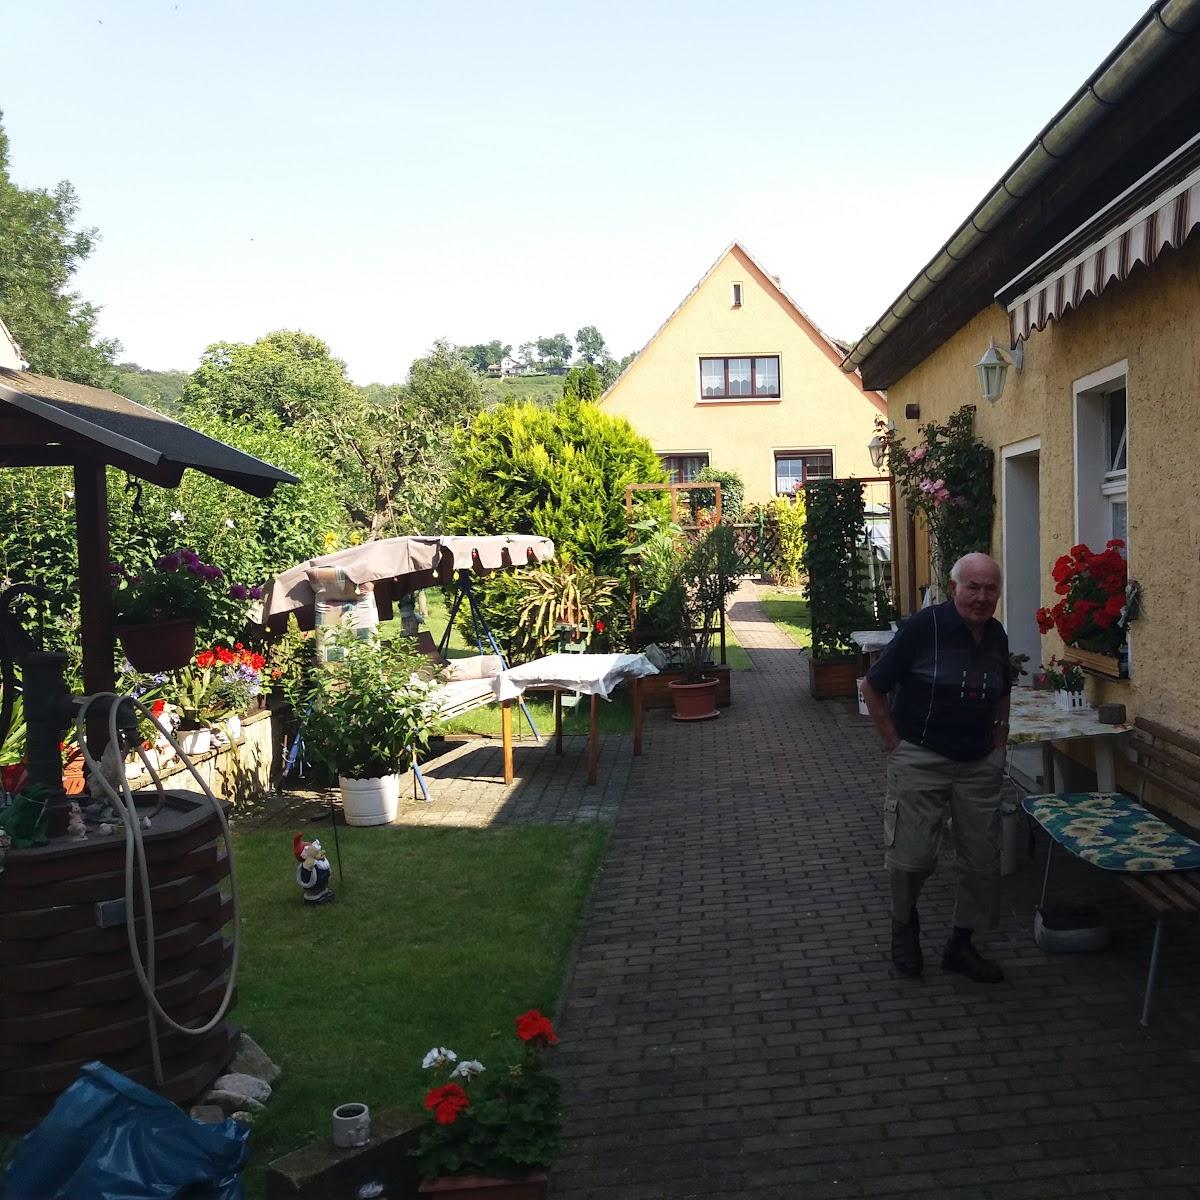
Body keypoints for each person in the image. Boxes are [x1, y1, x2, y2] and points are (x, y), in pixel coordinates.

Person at [860, 552, 1011, 983]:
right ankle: (904, 925)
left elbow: (1002, 691)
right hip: (921, 758)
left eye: (990, 589)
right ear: (953, 588)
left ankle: (961, 945)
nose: (982, 598)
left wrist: (999, 742)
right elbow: (872, 685)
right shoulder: (924, 629)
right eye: (973, 588)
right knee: (911, 859)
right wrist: (895, 745)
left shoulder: (996, 636)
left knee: (982, 862)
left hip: (979, 762)